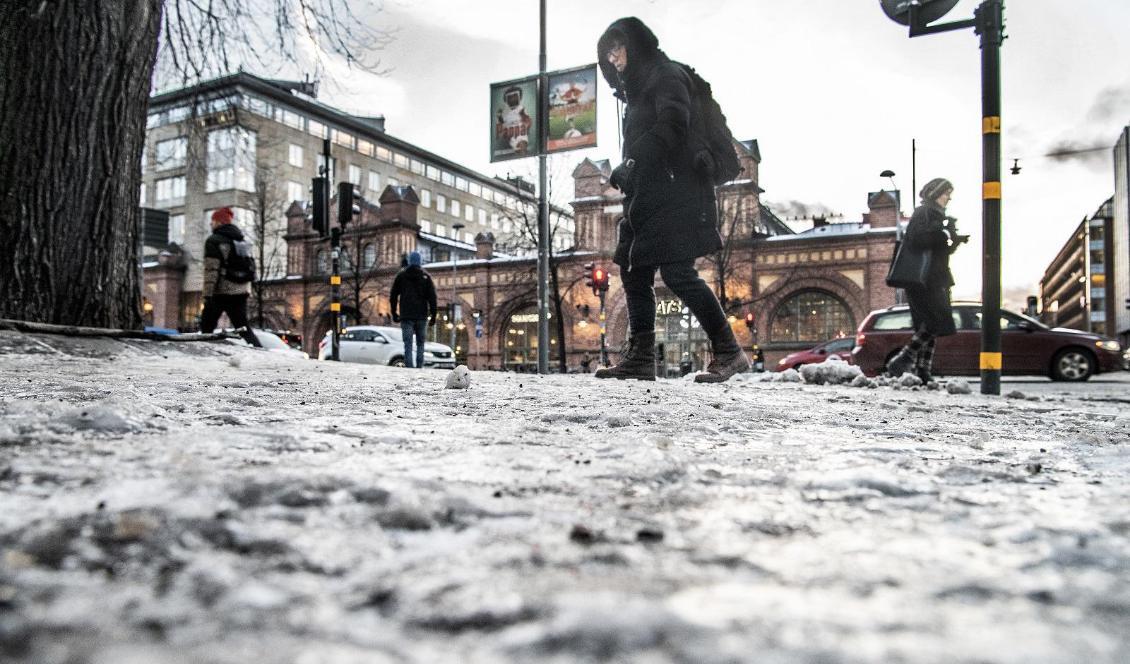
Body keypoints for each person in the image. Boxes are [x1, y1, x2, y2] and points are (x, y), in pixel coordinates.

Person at [594, 17, 749, 382]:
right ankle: (641, 357)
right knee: (633, 269)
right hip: (647, 195)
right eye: (607, 54)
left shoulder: (666, 76)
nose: (613, 59)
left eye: (617, 49)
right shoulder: (636, 93)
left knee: (678, 273)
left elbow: (674, 124)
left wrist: (631, 162)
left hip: (679, 191)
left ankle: (728, 351)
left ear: (635, 45)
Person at [887, 178, 966, 383]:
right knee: (934, 321)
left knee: (929, 324)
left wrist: (954, 239)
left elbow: (939, 249)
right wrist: (945, 232)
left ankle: (923, 371)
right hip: (924, 278)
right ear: (935, 193)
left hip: (934, 276)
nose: (949, 197)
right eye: (946, 193)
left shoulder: (936, 216)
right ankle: (904, 358)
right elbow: (919, 239)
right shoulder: (924, 213)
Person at [200, 207, 260, 347]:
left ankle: (204, 350)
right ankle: (259, 350)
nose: (211, 224)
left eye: (213, 221)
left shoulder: (213, 241)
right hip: (241, 290)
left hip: (221, 291)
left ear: (219, 222)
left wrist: (207, 294)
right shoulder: (241, 240)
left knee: (207, 325)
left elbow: (212, 269)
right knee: (243, 327)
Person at [390, 251, 437, 368]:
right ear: (420, 262)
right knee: (421, 343)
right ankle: (419, 366)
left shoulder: (401, 276)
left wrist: (394, 312)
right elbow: (432, 298)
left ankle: (409, 368)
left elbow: (393, 296)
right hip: (421, 315)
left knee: (408, 344)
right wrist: (433, 315)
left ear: (410, 261)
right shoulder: (425, 277)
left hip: (406, 315)